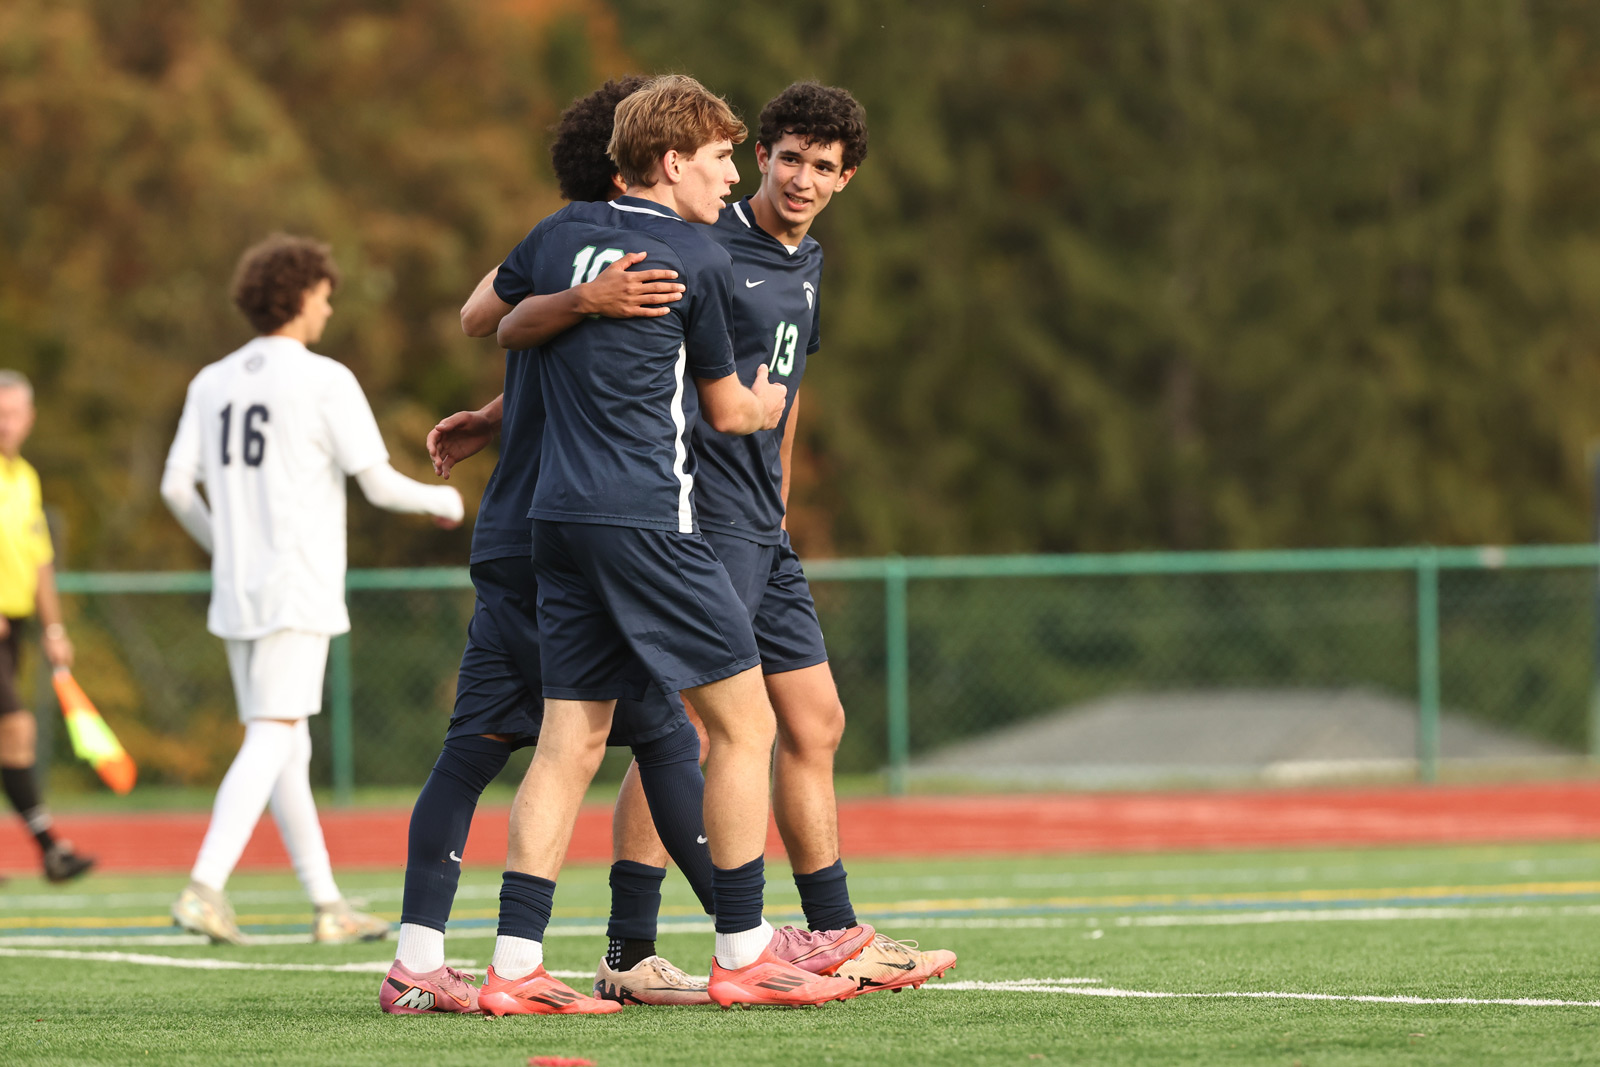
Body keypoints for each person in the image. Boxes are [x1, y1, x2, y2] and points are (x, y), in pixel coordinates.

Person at [493, 82, 957, 995]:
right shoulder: (700, 244)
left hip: (750, 522)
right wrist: (500, 410)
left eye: (822, 166)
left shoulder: (806, 260)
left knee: (814, 720)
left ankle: (830, 927)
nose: (792, 178)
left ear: (846, 178)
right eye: (781, 158)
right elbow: (587, 352)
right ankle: (651, 944)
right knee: (692, 731)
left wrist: (780, 497)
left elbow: (781, 390)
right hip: (686, 517)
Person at [381, 77, 729, 1016]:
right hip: (578, 540)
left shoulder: (557, 266)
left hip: (512, 531)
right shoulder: (628, 269)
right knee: (671, 736)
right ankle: (740, 941)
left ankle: (417, 961)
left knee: (474, 749)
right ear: (638, 167)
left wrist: (495, 410)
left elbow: (484, 321)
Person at [161, 234, 464, 945]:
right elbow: (378, 484)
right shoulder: (323, 378)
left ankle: (328, 904)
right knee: (274, 733)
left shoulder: (211, 380)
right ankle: (204, 885)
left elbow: (175, 487)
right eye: (325, 296)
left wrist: (225, 545)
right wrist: (445, 500)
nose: (328, 310)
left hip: (238, 587)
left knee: (285, 742)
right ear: (300, 295)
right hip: (296, 582)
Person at [0, 370, 94, 884]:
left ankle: (51, 851)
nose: (5, 423)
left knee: (10, 735)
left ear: (30, 418)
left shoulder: (25, 477)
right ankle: (52, 849)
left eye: (13, 413)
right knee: (17, 728)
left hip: (13, 627)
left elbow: (39, 562)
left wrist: (55, 630)